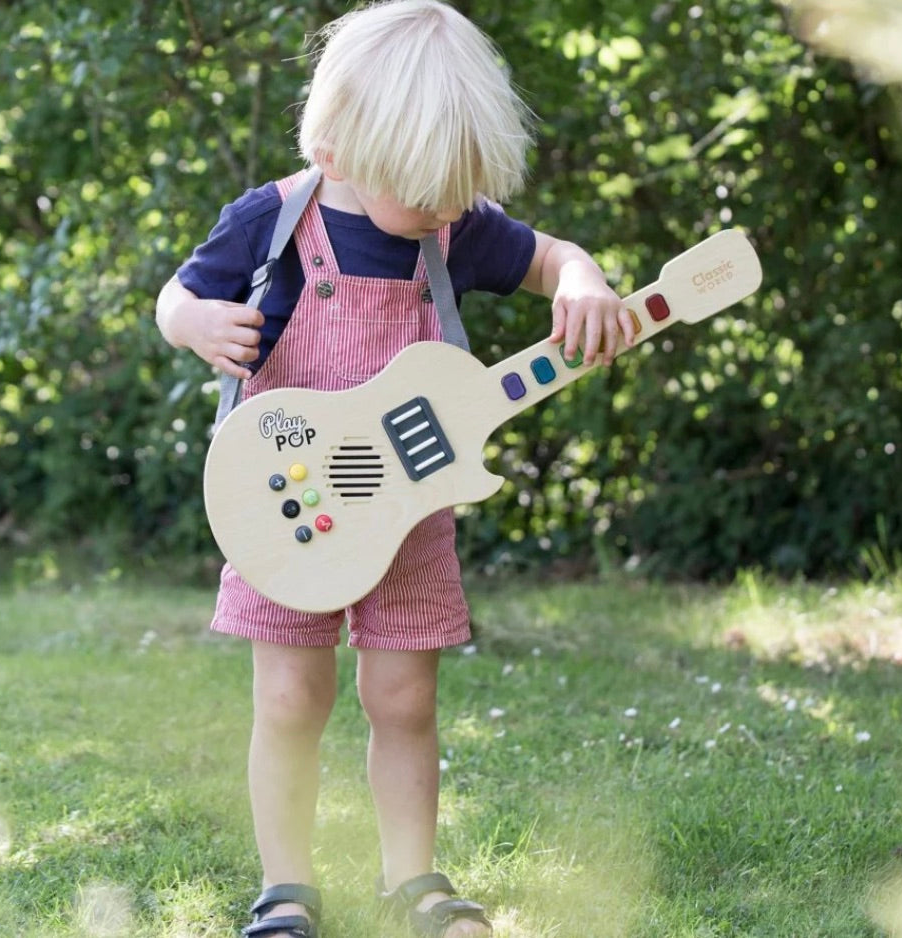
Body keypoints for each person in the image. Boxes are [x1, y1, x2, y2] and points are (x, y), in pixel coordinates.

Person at [156, 2, 635, 936]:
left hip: (409, 523)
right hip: (289, 508)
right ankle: (286, 888)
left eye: (460, 194)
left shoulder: (450, 221)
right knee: (292, 699)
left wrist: (582, 282)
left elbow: (554, 256)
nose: (449, 211)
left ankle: (412, 880)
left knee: (404, 699)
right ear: (337, 149)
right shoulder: (271, 220)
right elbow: (177, 295)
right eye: (431, 195)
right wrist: (194, 323)